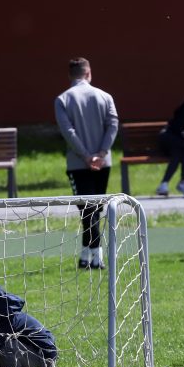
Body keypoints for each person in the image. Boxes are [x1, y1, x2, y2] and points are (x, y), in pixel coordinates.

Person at [54, 57, 119, 270]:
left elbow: (68, 131)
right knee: (95, 209)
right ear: (89, 73)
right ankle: (87, 255)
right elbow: (113, 125)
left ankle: (96, 256)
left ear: (69, 75)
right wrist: (101, 153)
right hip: (103, 162)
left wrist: (85, 155)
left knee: (87, 210)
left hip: (78, 163)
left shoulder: (62, 99)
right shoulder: (105, 96)